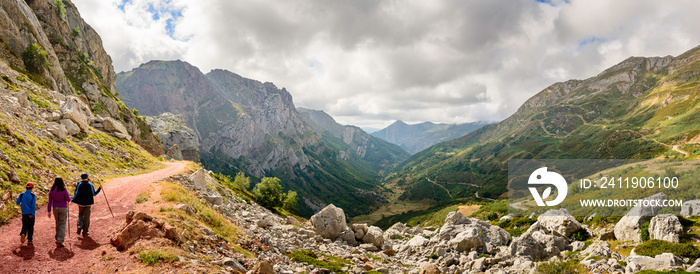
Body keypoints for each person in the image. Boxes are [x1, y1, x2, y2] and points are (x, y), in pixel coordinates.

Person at [48, 177, 71, 247]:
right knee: (63, 223)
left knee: (57, 222)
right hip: (63, 207)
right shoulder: (64, 189)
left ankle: (58, 236)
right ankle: (60, 240)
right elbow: (68, 199)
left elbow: (49, 202)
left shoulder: (51, 190)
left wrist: (49, 211)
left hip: (55, 208)